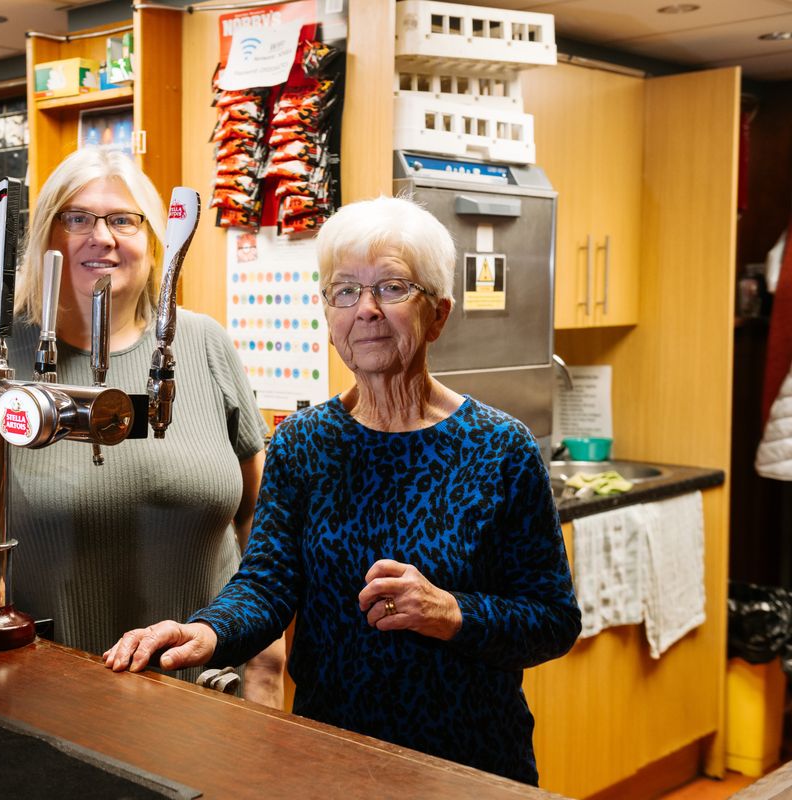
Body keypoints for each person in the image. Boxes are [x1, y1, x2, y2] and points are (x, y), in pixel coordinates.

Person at [103, 195, 581, 784]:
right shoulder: (303, 444)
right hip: (328, 755)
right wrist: (207, 630)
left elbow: (552, 620)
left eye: (393, 287)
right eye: (345, 291)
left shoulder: (501, 449)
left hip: (467, 761)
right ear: (329, 315)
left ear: (439, 315)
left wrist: (451, 611)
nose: (367, 310)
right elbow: (267, 584)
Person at [0, 147, 286, 706]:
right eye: (79, 218)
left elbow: (260, 521)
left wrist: (266, 661)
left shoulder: (205, 346)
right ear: (45, 236)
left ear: (153, 240)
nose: (103, 237)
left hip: (203, 689)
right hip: (44, 684)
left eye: (123, 220)